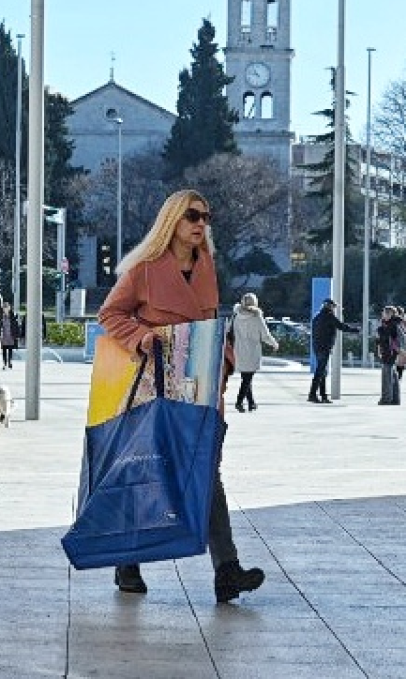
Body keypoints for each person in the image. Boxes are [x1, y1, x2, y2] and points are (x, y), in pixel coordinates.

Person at [97, 188, 265, 603]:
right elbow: (110, 314)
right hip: (155, 386)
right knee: (147, 470)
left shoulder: (207, 266)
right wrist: (141, 338)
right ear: (172, 219)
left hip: (202, 386)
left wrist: (224, 359)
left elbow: (209, 322)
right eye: (192, 215)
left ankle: (227, 570)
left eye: (206, 216)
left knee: (207, 473)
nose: (201, 223)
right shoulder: (144, 269)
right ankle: (127, 562)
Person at [229, 292, 279, 413]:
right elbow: (265, 335)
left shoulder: (236, 316)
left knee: (246, 378)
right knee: (247, 379)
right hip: (252, 351)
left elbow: (230, 331)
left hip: (239, 350)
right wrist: (274, 344)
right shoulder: (256, 316)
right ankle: (239, 402)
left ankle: (251, 403)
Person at [307, 298, 359, 404]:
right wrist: (355, 330)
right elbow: (341, 326)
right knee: (320, 372)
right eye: (333, 306)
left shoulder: (317, 317)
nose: (334, 309)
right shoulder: (329, 316)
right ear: (329, 306)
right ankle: (312, 395)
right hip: (324, 347)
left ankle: (323, 396)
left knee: (322, 372)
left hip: (317, 347)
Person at [376, 306, 403, 405]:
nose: (382, 315)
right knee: (393, 375)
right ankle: (395, 399)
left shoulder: (392, 324)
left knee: (386, 376)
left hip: (389, 352)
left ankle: (386, 399)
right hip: (390, 352)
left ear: (390, 314)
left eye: (384, 313)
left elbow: (386, 338)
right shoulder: (393, 323)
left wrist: (380, 330)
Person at [393, 306, 406, 382]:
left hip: (403, 344)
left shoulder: (404, 321)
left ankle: (398, 378)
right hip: (399, 344)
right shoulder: (394, 321)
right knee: (399, 362)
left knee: (401, 362)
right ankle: (397, 378)